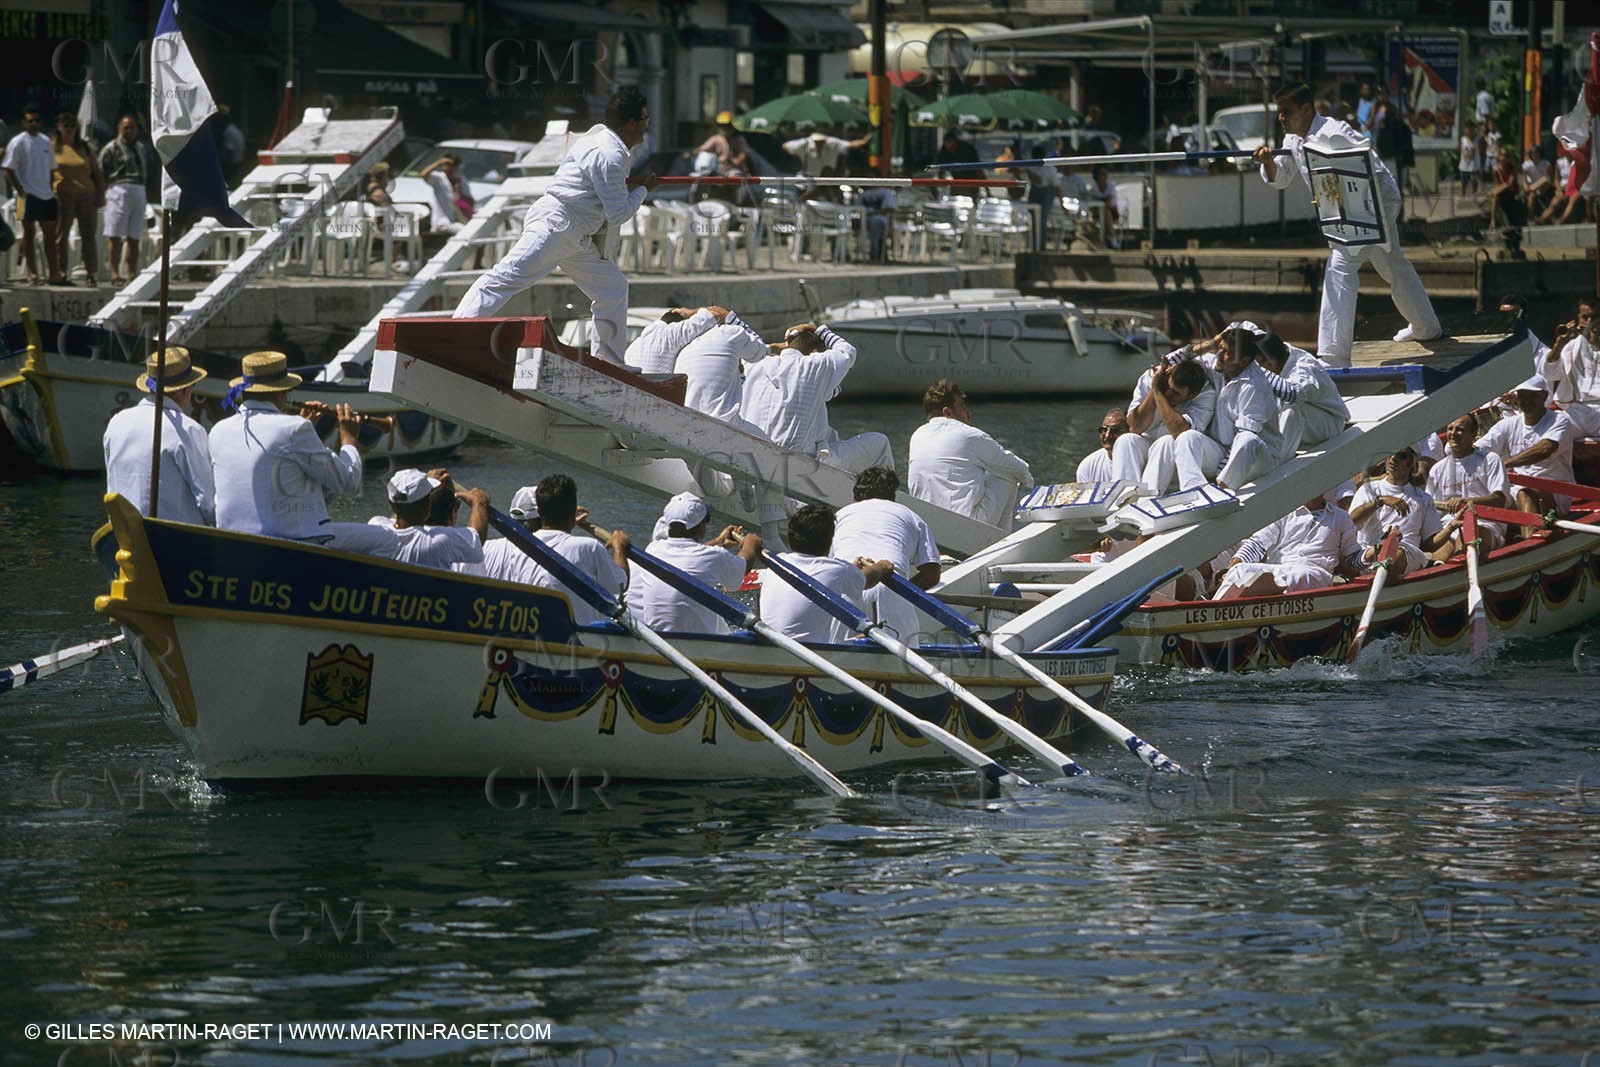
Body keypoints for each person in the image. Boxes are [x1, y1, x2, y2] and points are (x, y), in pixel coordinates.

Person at [453, 87, 659, 365]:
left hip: (572, 233)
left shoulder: (600, 138)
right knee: (504, 278)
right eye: (645, 119)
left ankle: (610, 362)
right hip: (556, 226)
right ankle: (456, 332)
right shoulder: (610, 155)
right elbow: (618, 214)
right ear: (632, 123)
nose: (647, 126)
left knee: (613, 287)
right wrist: (643, 189)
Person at [1253, 83, 1441, 365]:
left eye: (1285, 112)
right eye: (1279, 112)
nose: (1280, 117)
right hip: (1350, 212)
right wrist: (1268, 162)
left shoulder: (1336, 131)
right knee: (1392, 264)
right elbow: (1281, 178)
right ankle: (1427, 327)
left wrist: (1359, 212)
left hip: (1373, 203)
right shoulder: (1293, 140)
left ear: (1306, 109)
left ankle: (1333, 356)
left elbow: (1373, 169)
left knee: (1340, 267)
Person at [208, 351, 398, 556]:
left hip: (232, 540)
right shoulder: (295, 429)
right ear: (282, 393)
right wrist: (349, 439)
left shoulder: (218, 430)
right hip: (292, 545)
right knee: (387, 539)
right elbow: (348, 483)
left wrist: (305, 426)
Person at [739, 322, 892, 474]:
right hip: (800, 465)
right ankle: (880, 495)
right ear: (815, 352)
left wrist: (771, 347)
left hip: (753, 459)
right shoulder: (812, 365)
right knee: (880, 443)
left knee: (829, 434)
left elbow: (752, 344)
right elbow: (847, 351)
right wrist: (818, 329)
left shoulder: (755, 365)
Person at [102, 347, 215, 525]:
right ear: (185, 390)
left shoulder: (116, 422)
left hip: (125, 534)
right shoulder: (189, 429)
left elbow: (111, 484)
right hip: (175, 538)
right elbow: (207, 501)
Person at [831, 468, 939, 644]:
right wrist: (902, 593)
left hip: (847, 590)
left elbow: (827, 566)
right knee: (902, 662)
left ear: (856, 494)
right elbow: (931, 574)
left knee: (838, 660)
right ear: (892, 494)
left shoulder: (840, 515)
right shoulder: (911, 516)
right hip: (890, 587)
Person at [626, 492, 760, 634]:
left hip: (660, 638)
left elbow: (686, 557)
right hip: (701, 644)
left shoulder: (653, 550)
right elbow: (738, 574)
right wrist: (750, 545)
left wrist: (718, 542)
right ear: (701, 527)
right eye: (707, 520)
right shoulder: (714, 556)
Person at [758, 503, 892, 644]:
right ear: (829, 541)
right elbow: (868, 579)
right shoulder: (837, 570)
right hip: (806, 653)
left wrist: (851, 570)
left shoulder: (777, 562)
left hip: (768, 644)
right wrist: (881, 567)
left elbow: (823, 574)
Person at [907, 379, 1033, 526]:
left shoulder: (917, 435)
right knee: (1006, 473)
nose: (968, 412)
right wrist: (1029, 486)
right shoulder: (969, 435)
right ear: (947, 412)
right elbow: (1017, 468)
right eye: (962, 406)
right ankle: (999, 541)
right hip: (965, 528)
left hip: (928, 526)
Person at [510, 474, 630, 623]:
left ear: (539, 512)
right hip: (576, 640)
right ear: (573, 511)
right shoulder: (589, 548)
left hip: (532, 632)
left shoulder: (519, 549)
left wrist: (569, 522)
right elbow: (620, 585)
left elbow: (559, 545)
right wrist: (619, 548)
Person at [1212, 492, 1362, 600]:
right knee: (1239, 570)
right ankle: (1214, 610)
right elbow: (1257, 543)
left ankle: (1263, 587)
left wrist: (1372, 554)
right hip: (1279, 568)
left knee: (1297, 576)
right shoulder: (1284, 512)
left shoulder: (1340, 517)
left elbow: (1354, 559)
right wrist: (1230, 569)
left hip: (1314, 572)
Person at [1478, 375, 1576, 521]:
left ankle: (1531, 539)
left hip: (1555, 491)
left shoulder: (1560, 420)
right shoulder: (1508, 424)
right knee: (1483, 499)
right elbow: (1478, 448)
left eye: (1533, 395)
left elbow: (1544, 449)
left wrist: (1504, 464)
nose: (1527, 401)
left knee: (1525, 494)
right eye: (1523, 395)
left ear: (1544, 396)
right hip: (1517, 487)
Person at [1112, 358, 1216, 492]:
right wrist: (1154, 388)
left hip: (1182, 454)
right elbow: (1134, 427)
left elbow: (1179, 431)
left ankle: (1148, 498)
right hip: (1149, 445)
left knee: (1166, 441)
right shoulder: (1150, 378)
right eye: (1167, 386)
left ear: (1192, 395)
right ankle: (1124, 495)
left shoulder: (1206, 394)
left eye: (1176, 392)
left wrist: (1158, 391)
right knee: (1126, 440)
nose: (1168, 393)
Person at [1347, 448, 1447, 577]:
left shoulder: (1423, 499)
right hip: (1370, 555)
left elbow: (1429, 543)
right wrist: (1379, 501)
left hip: (1406, 555)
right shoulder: (1368, 489)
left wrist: (1451, 527)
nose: (1393, 458)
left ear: (1411, 464)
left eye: (1400, 456)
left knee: (1395, 553)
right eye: (1389, 454)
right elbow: (1352, 522)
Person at [1425, 415, 1511, 562]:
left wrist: (1466, 502)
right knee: (1438, 558)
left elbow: (1499, 499)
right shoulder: (1437, 469)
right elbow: (1431, 510)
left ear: (1473, 434)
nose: (1453, 433)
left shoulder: (1490, 459)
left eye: (1460, 430)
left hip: (1485, 524)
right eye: (1450, 429)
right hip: (1450, 527)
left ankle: (1459, 567)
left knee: (1465, 535)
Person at [1252, 330, 1349, 456]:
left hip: (1328, 423)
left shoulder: (1303, 368)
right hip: (1300, 424)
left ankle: (1277, 458)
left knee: (1293, 407)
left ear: (1269, 363)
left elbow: (1294, 394)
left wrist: (1259, 374)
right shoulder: (1275, 350)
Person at [675, 306, 770, 428]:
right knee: (771, 445)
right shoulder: (730, 333)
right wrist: (728, 316)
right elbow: (760, 352)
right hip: (723, 424)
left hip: (688, 422)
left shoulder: (686, 349)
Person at [374, 469, 488, 570]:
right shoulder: (441, 541)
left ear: (391, 503)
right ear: (426, 508)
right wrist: (479, 503)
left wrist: (422, 485)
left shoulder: (377, 526)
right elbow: (476, 538)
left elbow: (402, 508)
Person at [3, 106, 63, 284]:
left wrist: (51, 188)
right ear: (24, 123)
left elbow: (52, 168)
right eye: (30, 121)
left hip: (46, 195)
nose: (34, 124)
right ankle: (32, 272)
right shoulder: (18, 142)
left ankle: (54, 272)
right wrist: (20, 189)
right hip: (26, 195)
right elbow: (8, 168)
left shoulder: (45, 141)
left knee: (50, 235)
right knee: (28, 234)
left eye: (36, 121)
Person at [51, 112, 103, 285]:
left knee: (88, 234)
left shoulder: (84, 147)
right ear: (58, 127)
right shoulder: (53, 147)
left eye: (73, 125)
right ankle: (62, 272)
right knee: (61, 235)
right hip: (63, 195)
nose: (69, 128)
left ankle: (92, 273)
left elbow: (97, 171)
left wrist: (101, 194)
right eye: (65, 125)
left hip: (86, 194)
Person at [99, 114, 151, 284]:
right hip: (119, 189)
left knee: (134, 236)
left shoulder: (140, 147)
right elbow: (101, 172)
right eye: (126, 127)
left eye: (132, 127)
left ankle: (131, 272)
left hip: (139, 189)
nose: (129, 131)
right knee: (115, 234)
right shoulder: (111, 148)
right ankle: (114, 272)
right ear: (119, 128)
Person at [1550, 305, 1600, 438]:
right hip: (1576, 410)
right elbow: (1551, 373)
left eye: (1594, 317)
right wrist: (1559, 344)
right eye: (1585, 317)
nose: (1589, 321)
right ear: (1578, 319)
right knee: (1548, 432)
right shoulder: (1570, 347)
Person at [625, 306, 719, 375]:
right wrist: (689, 313)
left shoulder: (634, 345)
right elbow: (715, 313)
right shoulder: (671, 333)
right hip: (660, 395)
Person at [783, 129, 870, 178]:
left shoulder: (832, 142)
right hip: (807, 182)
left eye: (821, 141)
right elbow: (786, 146)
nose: (819, 143)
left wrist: (864, 141)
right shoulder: (805, 143)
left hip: (829, 181)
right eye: (817, 141)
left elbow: (850, 145)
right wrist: (798, 155)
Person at [1075, 408, 1128, 482]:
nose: (1107, 435)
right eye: (1103, 430)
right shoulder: (1087, 466)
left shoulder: (1143, 461)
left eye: (1115, 430)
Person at [694, 112, 750, 177]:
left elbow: (743, 154)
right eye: (721, 125)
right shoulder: (716, 138)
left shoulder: (739, 139)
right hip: (719, 170)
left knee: (734, 176)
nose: (724, 128)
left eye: (726, 125)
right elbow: (703, 148)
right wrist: (695, 152)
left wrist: (735, 161)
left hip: (735, 170)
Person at [1521, 145, 1555, 219]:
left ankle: (1532, 189)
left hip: (1545, 186)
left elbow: (1550, 179)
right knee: (1531, 197)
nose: (1535, 154)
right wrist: (1526, 187)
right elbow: (1524, 179)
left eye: (1536, 152)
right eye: (1533, 153)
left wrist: (1532, 187)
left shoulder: (1546, 164)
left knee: (1544, 179)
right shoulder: (1526, 165)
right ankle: (1531, 216)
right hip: (1532, 187)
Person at [1458, 120, 1480, 194]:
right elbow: (1461, 151)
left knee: (1474, 183)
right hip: (1464, 166)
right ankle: (1463, 196)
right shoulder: (1462, 139)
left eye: (1471, 129)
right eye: (1467, 129)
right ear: (1465, 130)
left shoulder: (1478, 140)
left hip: (1474, 166)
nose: (1469, 131)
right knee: (1464, 183)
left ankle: (1475, 196)